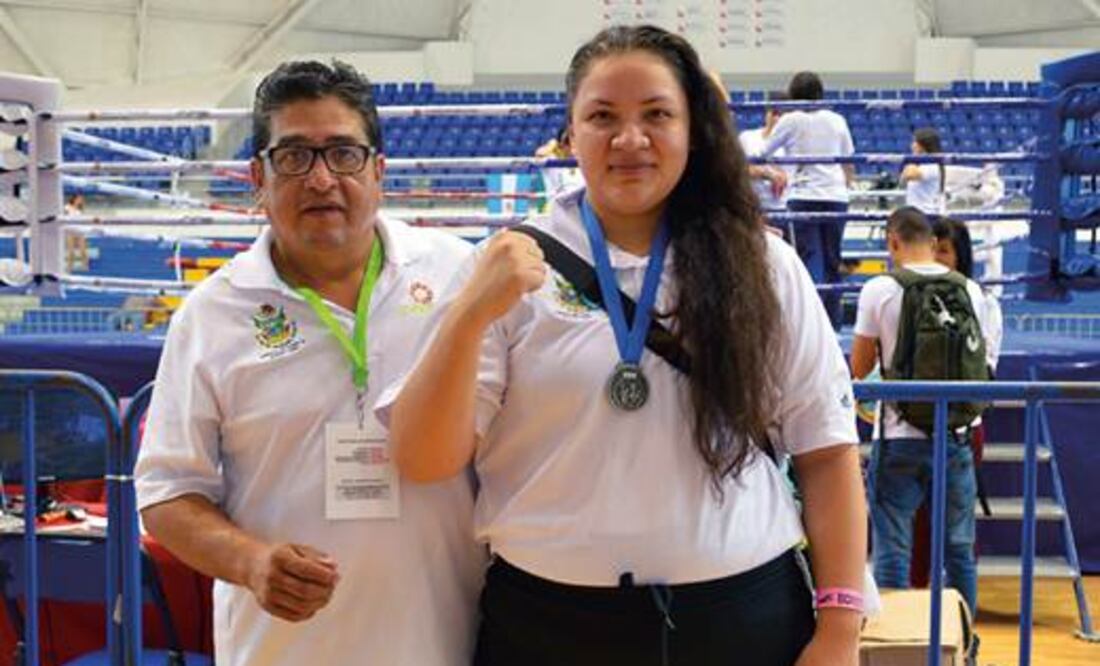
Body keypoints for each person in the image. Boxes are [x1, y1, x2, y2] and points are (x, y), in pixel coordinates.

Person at [382, 25, 865, 666]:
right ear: (570, 134)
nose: (629, 139)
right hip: (548, 626)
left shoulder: (763, 266)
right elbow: (421, 458)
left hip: (738, 620)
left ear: (692, 129)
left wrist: (839, 629)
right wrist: (469, 316)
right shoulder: (507, 264)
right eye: (602, 116)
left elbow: (828, 454)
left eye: (657, 115)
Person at [134, 61, 485, 666]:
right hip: (280, 651)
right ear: (257, 178)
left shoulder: (459, 277)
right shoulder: (212, 314)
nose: (322, 180)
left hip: (447, 643)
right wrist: (251, 562)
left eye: (343, 154)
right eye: (294, 156)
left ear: (379, 171)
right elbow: (167, 493)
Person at [850, 207, 994, 616]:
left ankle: (897, 646)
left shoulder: (879, 289)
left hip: (898, 436)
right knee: (959, 550)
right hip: (956, 435)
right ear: (932, 243)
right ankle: (964, 643)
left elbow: (858, 369)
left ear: (892, 242)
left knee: (893, 549)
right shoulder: (970, 290)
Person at [762, 71, 854, 328]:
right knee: (832, 261)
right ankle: (833, 325)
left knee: (811, 259)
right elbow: (848, 160)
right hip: (836, 196)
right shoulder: (837, 119)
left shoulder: (791, 120)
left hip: (804, 195)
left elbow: (762, 151)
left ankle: (814, 325)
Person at [739, 90, 791, 214]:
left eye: (781, 115)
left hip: (782, 208)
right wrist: (766, 173)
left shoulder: (791, 143)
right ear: (767, 113)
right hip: (753, 209)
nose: (776, 119)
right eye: (774, 113)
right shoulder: (747, 137)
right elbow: (736, 169)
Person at [899, 127, 946, 216]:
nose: (912, 145)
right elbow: (902, 179)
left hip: (927, 214)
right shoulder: (922, 164)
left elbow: (909, 174)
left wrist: (911, 160)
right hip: (916, 213)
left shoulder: (932, 165)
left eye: (915, 142)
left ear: (922, 145)